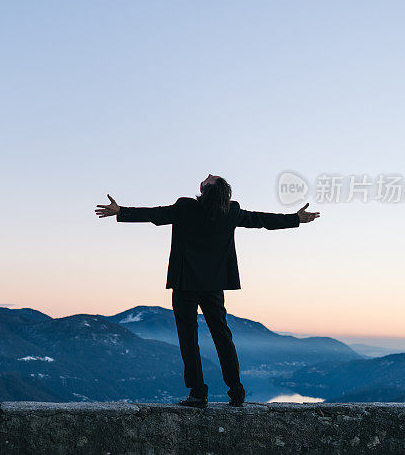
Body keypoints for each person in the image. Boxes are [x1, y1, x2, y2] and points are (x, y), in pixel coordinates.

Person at [95, 174, 320, 408]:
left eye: (209, 179)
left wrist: (120, 211)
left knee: (188, 337)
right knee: (222, 335)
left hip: (185, 283)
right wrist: (296, 219)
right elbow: (261, 220)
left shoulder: (185, 207)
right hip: (213, 284)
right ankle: (236, 390)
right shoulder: (231, 212)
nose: (207, 176)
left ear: (207, 189)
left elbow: (155, 215)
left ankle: (198, 393)